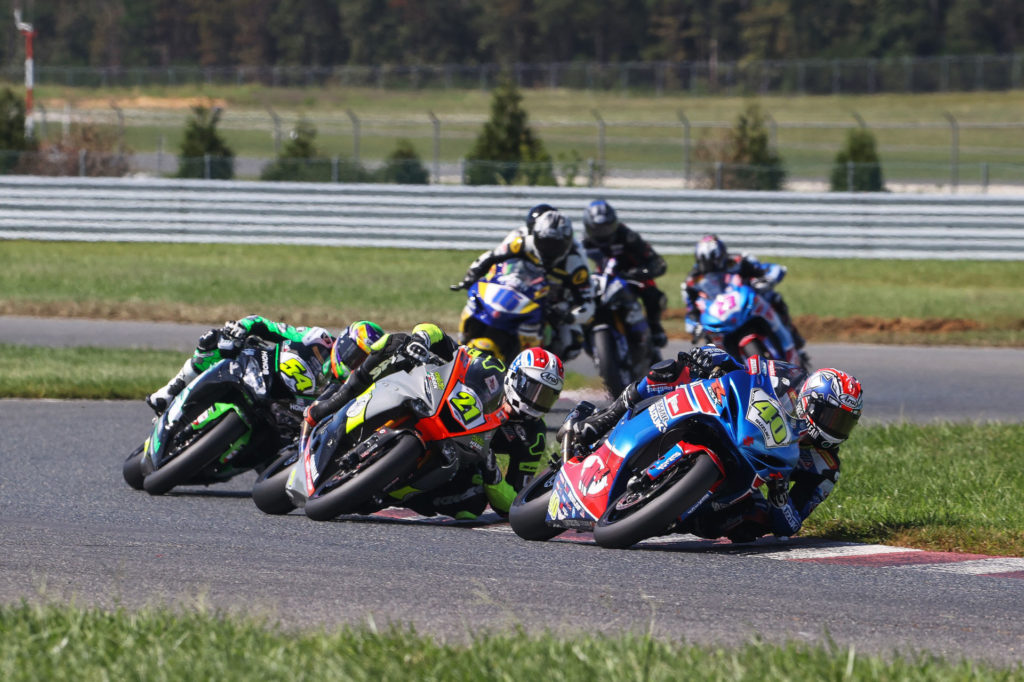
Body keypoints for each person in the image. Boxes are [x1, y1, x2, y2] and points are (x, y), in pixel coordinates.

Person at [559, 344, 863, 542]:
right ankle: (610, 415)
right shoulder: (787, 380)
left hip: (752, 480)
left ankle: (670, 511)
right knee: (677, 370)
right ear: (810, 403)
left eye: (845, 422)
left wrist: (781, 498)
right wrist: (718, 358)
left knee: (746, 528)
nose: (836, 428)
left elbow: (792, 524)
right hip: (734, 425)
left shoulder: (826, 468)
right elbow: (747, 369)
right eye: (832, 416)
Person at [407, 346, 566, 520]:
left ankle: (409, 496)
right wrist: (423, 339)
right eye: (532, 389)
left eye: (544, 396)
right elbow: (448, 343)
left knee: (473, 501)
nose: (535, 401)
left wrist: (493, 473)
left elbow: (516, 504)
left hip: (462, 455)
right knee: (389, 345)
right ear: (515, 377)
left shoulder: (534, 436)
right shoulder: (491, 368)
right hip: (435, 407)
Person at [450, 206, 594, 361]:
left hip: (556, 302)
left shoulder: (576, 263)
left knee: (570, 342)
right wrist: (471, 275)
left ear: (567, 243)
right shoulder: (522, 242)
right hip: (521, 290)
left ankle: (546, 371)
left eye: (555, 245)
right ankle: (461, 343)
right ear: (536, 236)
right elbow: (492, 257)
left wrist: (568, 315)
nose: (549, 249)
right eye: (544, 242)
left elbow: (588, 303)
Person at [145, 315, 335, 415]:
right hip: (266, 371)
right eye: (353, 353)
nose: (353, 360)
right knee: (213, 340)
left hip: (292, 410)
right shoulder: (318, 338)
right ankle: (170, 391)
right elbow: (265, 325)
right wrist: (241, 327)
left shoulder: (348, 385)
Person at [682, 233, 807, 353]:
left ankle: (793, 336)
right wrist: (695, 325)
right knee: (708, 344)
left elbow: (767, 270)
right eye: (706, 263)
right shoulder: (692, 281)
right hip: (718, 317)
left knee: (774, 298)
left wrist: (766, 280)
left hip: (746, 305)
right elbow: (691, 310)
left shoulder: (738, 262)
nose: (711, 266)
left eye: (714, 261)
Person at [582, 198, 669, 348]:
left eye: (607, 228)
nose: (603, 233)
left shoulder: (628, 236)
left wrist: (640, 272)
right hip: (603, 279)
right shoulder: (585, 243)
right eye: (598, 229)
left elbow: (655, 261)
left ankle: (655, 328)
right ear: (589, 228)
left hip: (631, 276)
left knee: (653, 295)